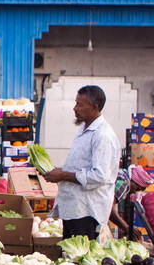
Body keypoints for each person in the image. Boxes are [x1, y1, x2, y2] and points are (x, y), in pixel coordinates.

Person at [43, 85, 120, 239]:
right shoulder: (84, 129)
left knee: (80, 258)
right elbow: (79, 166)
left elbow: (99, 176)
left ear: (94, 107)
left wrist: (63, 175)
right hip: (74, 209)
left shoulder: (103, 135)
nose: (74, 108)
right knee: (69, 258)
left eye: (80, 105)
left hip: (87, 212)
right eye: (75, 103)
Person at [110, 165, 153, 240]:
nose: (134, 192)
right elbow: (109, 209)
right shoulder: (124, 183)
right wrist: (127, 228)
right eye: (137, 188)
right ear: (134, 181)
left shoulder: (122, 175)